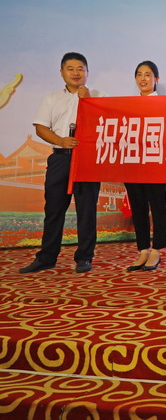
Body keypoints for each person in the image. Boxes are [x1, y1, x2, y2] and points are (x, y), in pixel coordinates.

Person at [20, 52, 102, 274]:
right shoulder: (51, 98)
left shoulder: (98, 96)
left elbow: (103, 126)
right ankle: (46, 257)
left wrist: (88, 101)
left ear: (87, 72)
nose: (76, 73)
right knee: (54, 209)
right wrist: (60, 141)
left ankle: (84, 257)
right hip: (60, 158)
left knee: (86, 210)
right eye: (70, 69)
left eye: (80, 69)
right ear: (61, 72)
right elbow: (41, 127)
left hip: (86, 160)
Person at [124, 60, 166, 272]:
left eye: (148, 74)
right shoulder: (127, 106)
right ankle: (143, 249)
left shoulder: (164, 104)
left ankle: (157, 249)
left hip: (155, 163)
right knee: (138, 207)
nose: (143, 78)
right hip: (133, 163)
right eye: (139, 74)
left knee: (157, 207)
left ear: (156, 79)